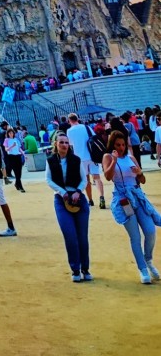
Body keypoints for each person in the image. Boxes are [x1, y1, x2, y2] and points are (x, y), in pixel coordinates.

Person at [102, 129, 161, 285]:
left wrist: (140, 172)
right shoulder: (108, 157)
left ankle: (148, 260)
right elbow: (107, 177)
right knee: (135, 236)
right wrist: (114, 160)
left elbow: (142, 180)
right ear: (112, 145)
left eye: (123, 144)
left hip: (137, 195)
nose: (121, 147)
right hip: (123, 199)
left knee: (150, 230)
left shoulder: (131, 157)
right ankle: (142, 269)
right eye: (118, 145)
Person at [46, 133, 92, 282]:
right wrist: (63, 192)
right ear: (56, 144)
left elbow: (84, 179)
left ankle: (85, 268)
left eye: (66, 142)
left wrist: (78, 192)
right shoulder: (51, 160)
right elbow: (48, 179)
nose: (64, 145)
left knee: (82, 237)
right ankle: (75, 269)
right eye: (61, 142)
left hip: (78, 198)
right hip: (61, 199)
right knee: (70, 236)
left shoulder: (76, 160)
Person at [66, 114, 94, 206]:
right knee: (97, 178)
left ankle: (90, 199)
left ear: (69, 120)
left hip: (79, 157)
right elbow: (94, 137)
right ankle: (101, 197)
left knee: (85, 179)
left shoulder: (69, 131)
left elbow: (70, 144)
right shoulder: (86, 127)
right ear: (77, 119)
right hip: (91, 155)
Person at [3, 128, 26, 192]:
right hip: (11, 157)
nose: (11, 134)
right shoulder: (6, 140)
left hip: (18, 156)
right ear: (8, 134)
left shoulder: (16, 139)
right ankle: (20, 186)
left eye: (12, 133)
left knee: (19, 171)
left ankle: (17, 183)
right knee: (16, 171)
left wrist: (24, 155)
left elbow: (19, 148)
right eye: (9, 133)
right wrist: (12, 146)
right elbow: (6, 149)